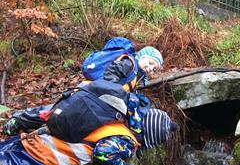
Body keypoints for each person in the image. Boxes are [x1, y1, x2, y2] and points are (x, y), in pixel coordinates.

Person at [3, 45, 164, 136]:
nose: (150, 68)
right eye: (149, 62)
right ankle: (19, 120)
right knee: (57, 111)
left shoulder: (138, 75)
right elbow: (110, 74)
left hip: (100, 100)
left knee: (71, 116)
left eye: (153, 67)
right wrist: (116, 92)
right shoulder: (129, 64)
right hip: (89, 93)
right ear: (141, 56)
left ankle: (47, 130)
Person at [0, 107, 178, 165]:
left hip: (38, 138)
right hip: (40, 158)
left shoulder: (118, 119)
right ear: (150, 138)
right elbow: (103, 153)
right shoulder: (127, 141)